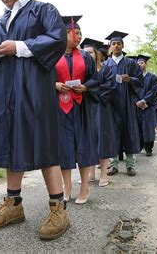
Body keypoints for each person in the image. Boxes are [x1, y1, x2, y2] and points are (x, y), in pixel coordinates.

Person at [0, 0, 68, 240]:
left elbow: (57, 40)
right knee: (9, 141)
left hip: (34, 91)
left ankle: (58, 208)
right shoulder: (0, 20)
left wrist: (18, 46)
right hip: (6, 92)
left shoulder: (43, 10)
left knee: (42, 143)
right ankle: (13, 204)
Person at [55, 16, 99, 204]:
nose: (79, 36)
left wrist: (86, 87)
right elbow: (42, 78)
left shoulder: (85, 57)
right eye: (75, 32)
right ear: (64, 34)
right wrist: (54, 85)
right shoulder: (53, 56)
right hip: (60, 108)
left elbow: (95, 79)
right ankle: (67, 187)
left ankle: (84, 188)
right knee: (63, 148)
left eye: (80, 33)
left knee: (83, 146)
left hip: (81, 108)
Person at [104, 31, 143, 177]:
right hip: (112, 104)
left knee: (129, 132)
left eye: (118, 43)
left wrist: (131, 79)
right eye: (113, 44)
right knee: (113, 133)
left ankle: (130, 165)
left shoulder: (131, 64)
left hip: (127, 103)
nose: (116, 46)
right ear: (110, 46)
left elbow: (140, 81)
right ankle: (113, 165)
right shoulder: (106, 64)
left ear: (122, 45)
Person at [81, 38, 118, 187]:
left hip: (101, 108)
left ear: (97, 54)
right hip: (85, 108)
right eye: (85, 52)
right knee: (89, 140)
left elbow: (110, 87)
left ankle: (103, 174)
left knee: (102, 140)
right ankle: (90, 174)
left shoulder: (106, 69)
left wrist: (89, 90)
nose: (87, 55)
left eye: (90, 52)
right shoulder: (81, 70)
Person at [135, 55, 157, 156]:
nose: (140, 65)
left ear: (146, 64)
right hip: (137, 106)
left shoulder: (152, 77)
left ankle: (149, 148)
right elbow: (133, 91)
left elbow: (153, 91)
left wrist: (144, 101)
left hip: (148, 106)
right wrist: (137, 102)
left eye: (142, 63)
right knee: (138, 127)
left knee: (148, 127)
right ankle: (139, 147)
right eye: (138, 63)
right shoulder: (135, 78)